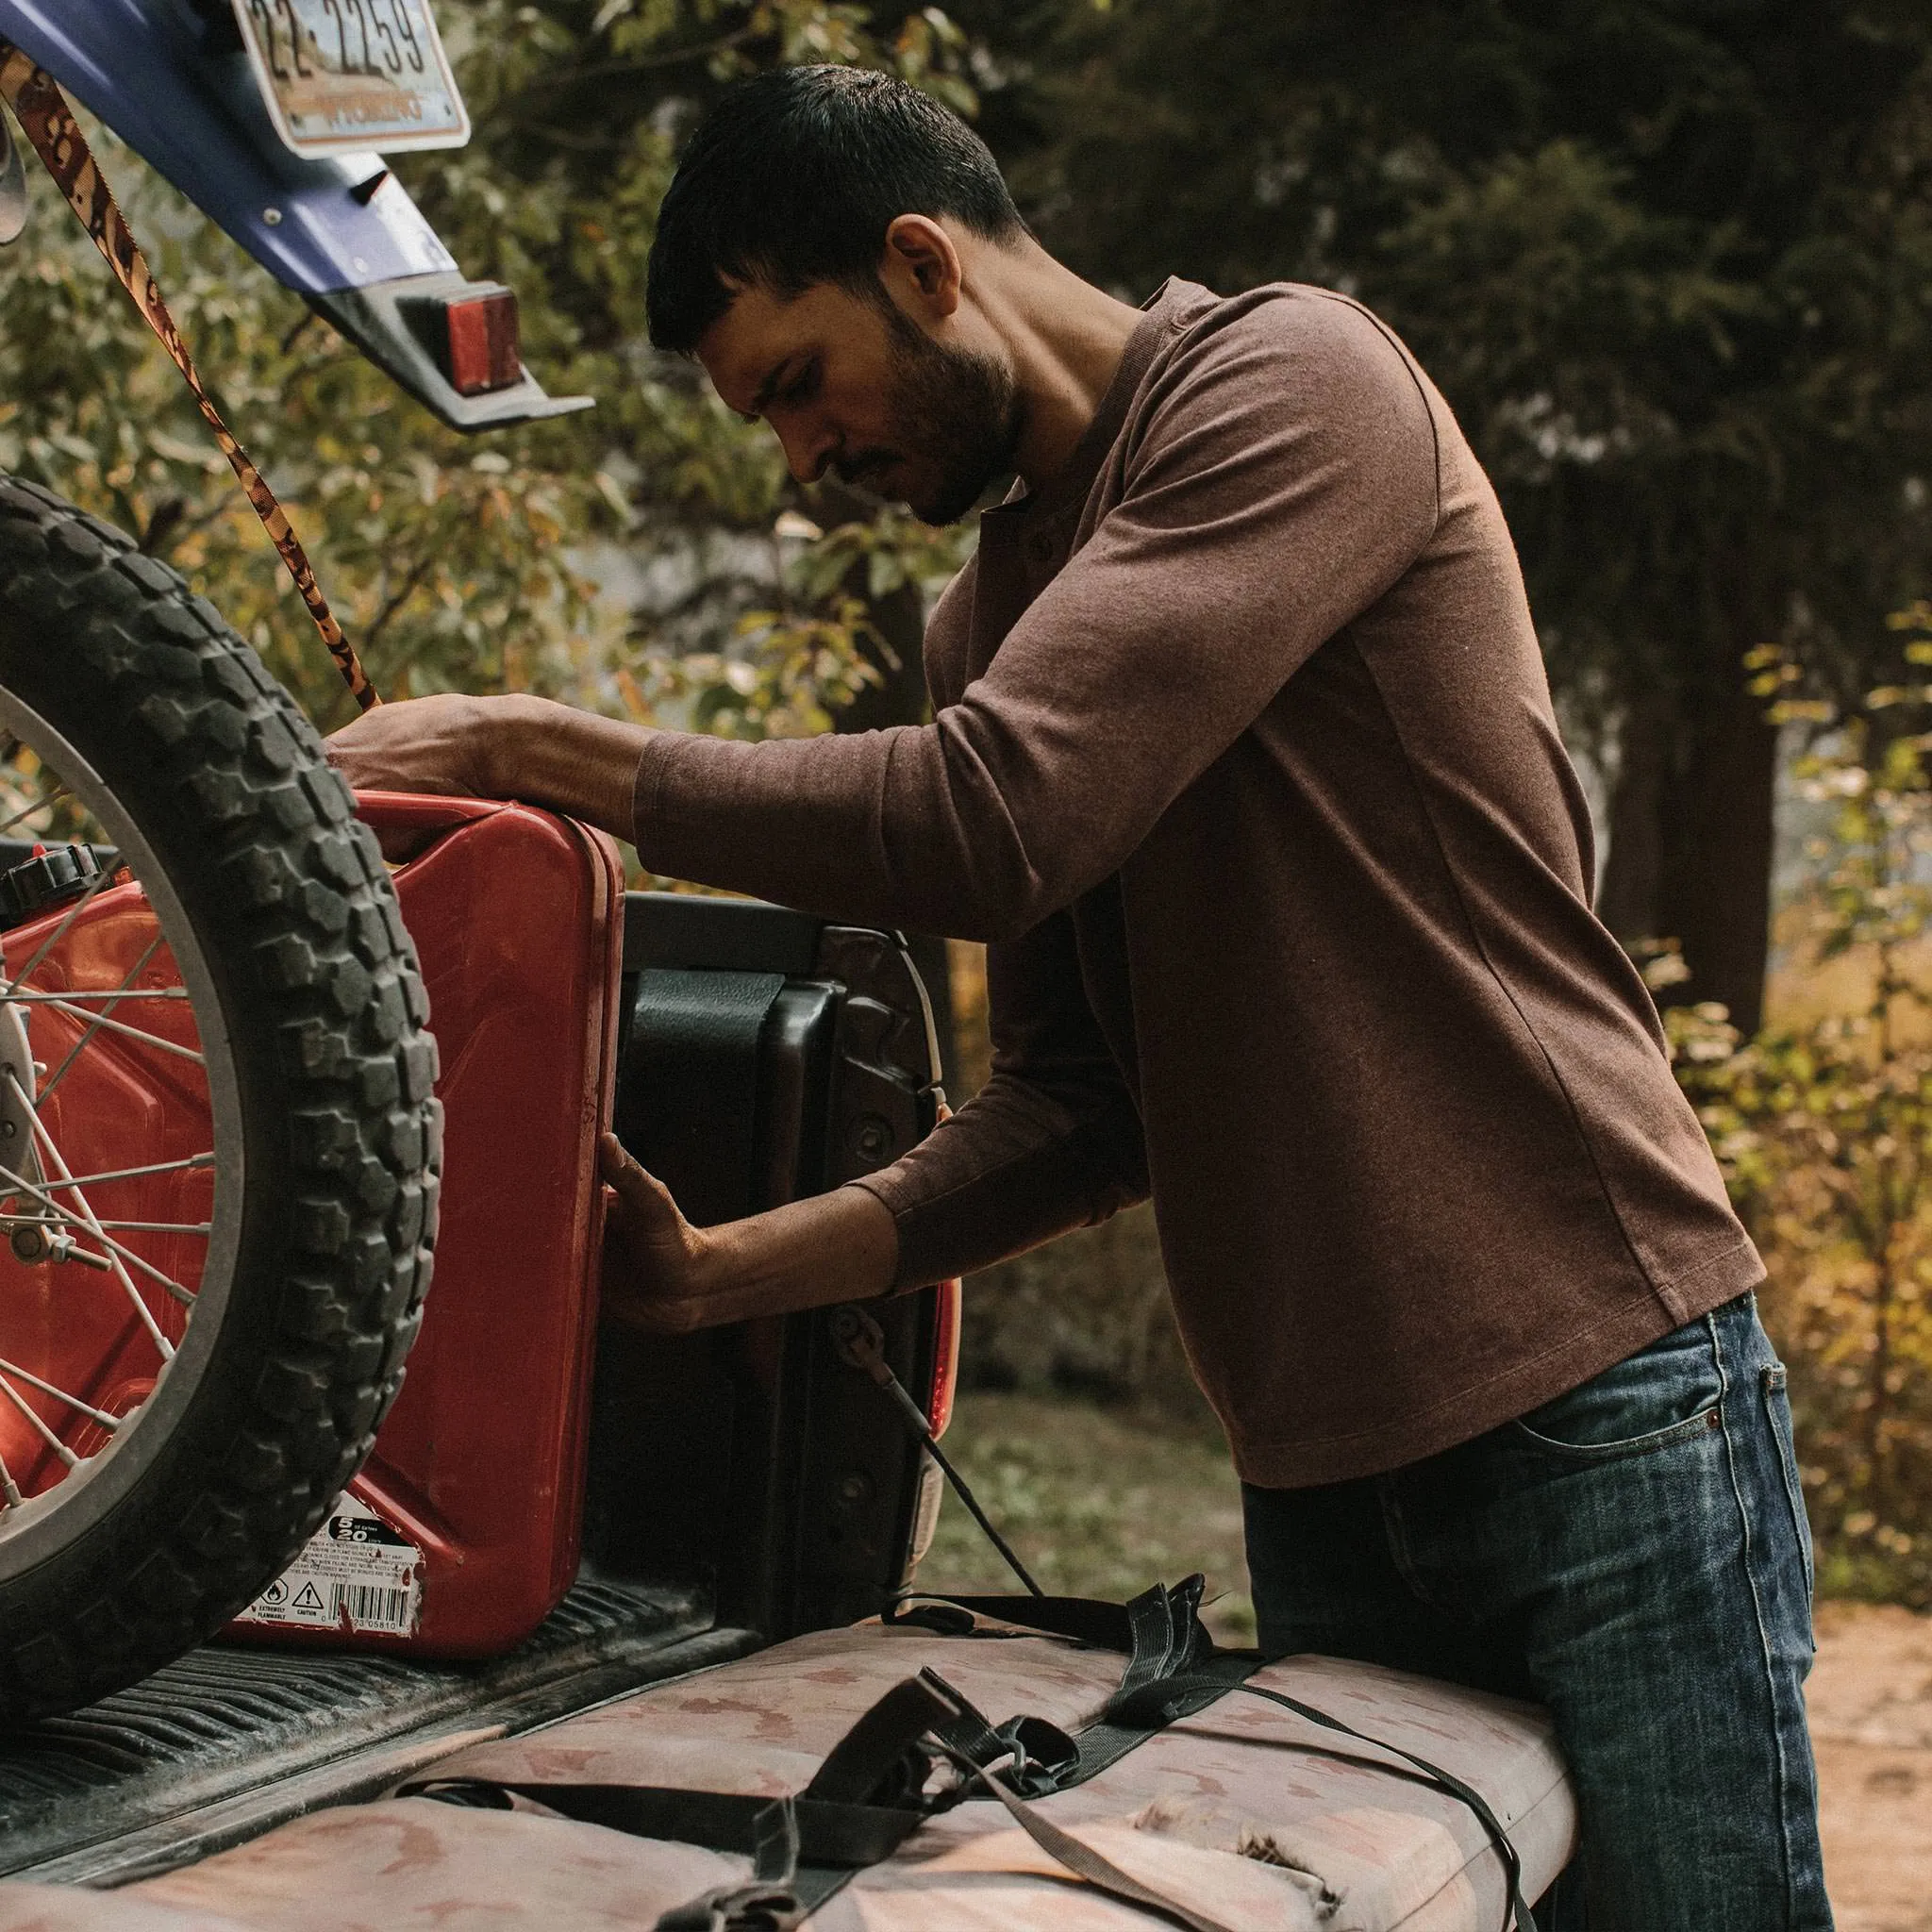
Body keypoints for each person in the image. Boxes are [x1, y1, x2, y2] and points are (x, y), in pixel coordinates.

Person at [324, 64, 1831, 1930]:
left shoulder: (1290, 391)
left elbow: (991, 814)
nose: (800, 461)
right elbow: (1074, 1108)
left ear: (921, 263)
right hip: (1321, 1479)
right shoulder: (989, 619)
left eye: (796, 381)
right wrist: (720, 1271)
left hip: (1601, 1411)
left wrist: (526, 742)